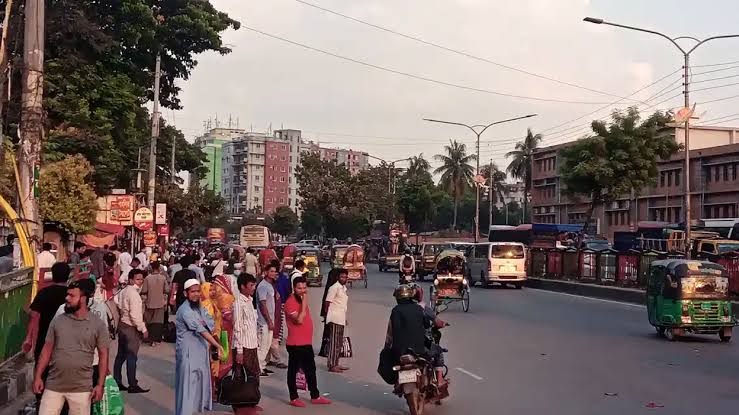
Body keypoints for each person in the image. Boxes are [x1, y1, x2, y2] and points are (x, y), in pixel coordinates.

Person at [32, 279, 110, 415]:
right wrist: (38, 376)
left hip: (82, 389)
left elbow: (103, 354)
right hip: (53, 386)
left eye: (72, 296)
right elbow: (46, 350)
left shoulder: (97, 324)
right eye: (67, 294)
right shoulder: (58, 320)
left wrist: (100, 384)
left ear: (83, 299)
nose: (67, 298)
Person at [23, 263, 72, 412]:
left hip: (45, 341)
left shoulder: (44, 293)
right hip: (67, 342)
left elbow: (34, 315)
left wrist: (28, 338)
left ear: (53, 275)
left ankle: (42, 403)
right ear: (68, 275)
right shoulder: (72, 295)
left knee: (42, 371)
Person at [175, 279, 225, 415]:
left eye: (198, 291)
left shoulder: (200, 307)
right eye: (193, 292)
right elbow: (201, 329)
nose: (196, 294)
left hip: (201, 354)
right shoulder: (184, 310)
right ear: (186, 293)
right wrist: (217, 345)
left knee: (198, 390)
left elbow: (210, 322)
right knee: (187, 391)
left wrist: (203, 323)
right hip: (188, 355)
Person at [284, 276, 331, 407]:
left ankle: (315, 395)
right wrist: (304, 302)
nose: (303, 291)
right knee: (293, 370)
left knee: (311, 369)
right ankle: (293, 397)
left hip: (306, 342)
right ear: (294, 288)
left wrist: (303, 301)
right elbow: (298, 320)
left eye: (305, 288)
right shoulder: (290, 302)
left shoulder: (301, 300)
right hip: (295, 344)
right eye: (299, 288)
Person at [113, 269, 149, 393]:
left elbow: (116, 301)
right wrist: (143, 328)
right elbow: (135, 315)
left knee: (120, 356)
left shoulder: (124, 290)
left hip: (123, 324)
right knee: (132, 356)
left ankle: (117, 381)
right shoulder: (133, 293)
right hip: (130, 326)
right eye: (137, 279)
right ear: (131, 280)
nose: (140, 281)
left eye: (141, 279)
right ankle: (132, 384)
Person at [231, 273, 262, 415]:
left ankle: (251, 401)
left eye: (254, 285)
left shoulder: (249, 301)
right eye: (251, 285)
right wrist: (239, 351)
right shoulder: (238, 303)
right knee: (240, 376)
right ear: (243, 286)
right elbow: (237, 327)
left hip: (252, 344)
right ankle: (239, 405)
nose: (254, 288)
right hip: (243, 345)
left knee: (253, 375)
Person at [323, 268, 350, 372]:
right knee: (334, 342)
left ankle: (336, 363)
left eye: (345, 277)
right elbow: (327, 303)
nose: (344, 279)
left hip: (341, 317)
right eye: (342, 277)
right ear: (338, 277)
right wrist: (327, 316)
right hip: (334, 318)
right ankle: (331, 364)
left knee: (338, 342)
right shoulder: (334, 288)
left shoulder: (343, 288)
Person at [256, 264, 278, 375]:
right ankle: (258, 367)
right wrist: (269, 320)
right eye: (271, 271)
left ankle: (263, 365)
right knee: (263, 345)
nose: (274, 273)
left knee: (268, 344)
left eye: (275, 271)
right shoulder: (263, 286)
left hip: (270, 319)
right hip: (263, 321)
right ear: (266, 272)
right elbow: (262, 304)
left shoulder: (270, 285)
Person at [141, 261, 169, 345]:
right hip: (160, 303)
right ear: (159, 268)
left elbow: (144, 290)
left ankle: (149, 338)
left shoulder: (147, 278)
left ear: (151, 268)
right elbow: (167, 290)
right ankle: (155, 340)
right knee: (157, 322)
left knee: (149, 321)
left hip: (149, 303)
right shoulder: (163, 278)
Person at [267, 260, 288, 369]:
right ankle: (278, 360)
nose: (275, 274)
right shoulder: (266, 285)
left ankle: (267, 359)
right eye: (272, 272)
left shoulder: (275, 283)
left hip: (277, 312)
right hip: (271, 315)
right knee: (273, 338)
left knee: (273, 337)